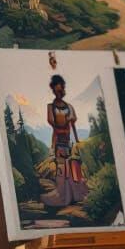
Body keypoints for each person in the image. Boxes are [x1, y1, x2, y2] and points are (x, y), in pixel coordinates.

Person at [40, 74, 88, 207]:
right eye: (57, 90)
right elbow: (53, 124)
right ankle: (63, 195)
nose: (60, 92)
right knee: (61, 169)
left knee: (73, 168)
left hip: (69, 140)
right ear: (53, 90)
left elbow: (72, 126)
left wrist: (77, 141)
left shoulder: (69, 107)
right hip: (58, 142)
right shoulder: (51, 107)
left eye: (61, 89)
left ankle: (75, 195)